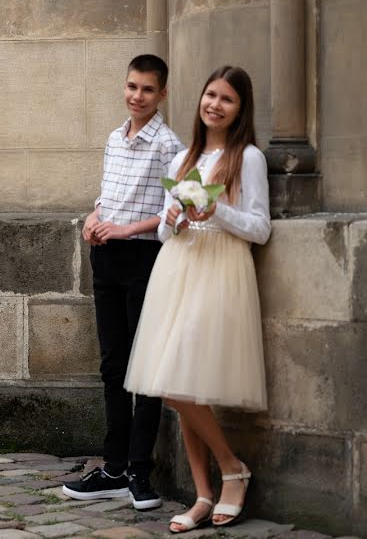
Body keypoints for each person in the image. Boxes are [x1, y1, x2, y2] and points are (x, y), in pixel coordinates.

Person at [123, 65, 270, 532]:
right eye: (210, 95)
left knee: (177, 381)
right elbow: (166, 232)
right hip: (178, 267)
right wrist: (174, 220)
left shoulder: (247, 158)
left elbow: (260, 228)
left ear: (240, 108)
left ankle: (232, 469)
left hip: (219, 269)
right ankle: (203, 494)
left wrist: (217, 210)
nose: (215, 105)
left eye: (227, 99)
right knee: (177, 382)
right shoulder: (182, 158)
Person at [63, 55, 184, 510]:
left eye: (147, 90)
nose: (137, 96)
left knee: (144, 367)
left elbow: (173, 212)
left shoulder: (168, 145)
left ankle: (139, 471)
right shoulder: (116, 137)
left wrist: (124, 230)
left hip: (143, 259)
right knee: (112, 365)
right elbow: (108, 195)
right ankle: (112, 468)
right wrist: (94, 220)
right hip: (107, 258)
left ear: (162, 94)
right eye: (132, 86)